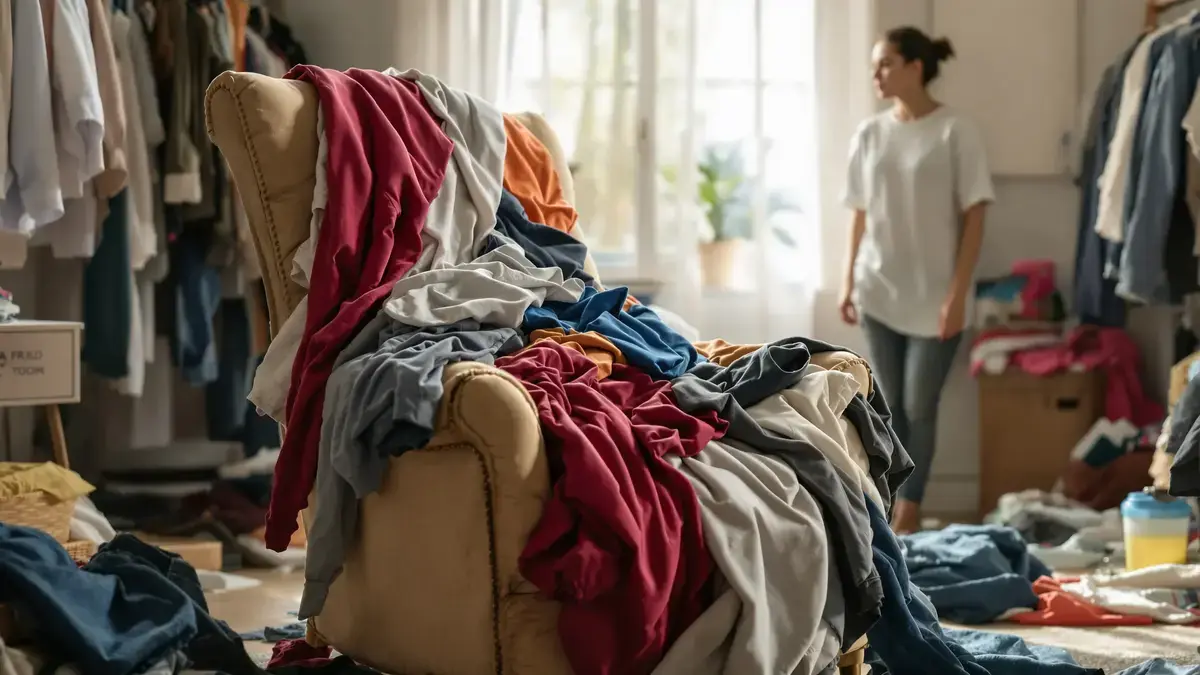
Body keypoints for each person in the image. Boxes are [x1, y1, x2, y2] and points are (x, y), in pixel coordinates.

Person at [839, 26, 994, 534]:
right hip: (879, 289)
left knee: (918, 404)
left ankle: (912, 506)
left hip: (937, 298)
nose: (876, 75)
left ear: (915, 67)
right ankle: (892, 505)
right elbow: (859, 213)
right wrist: (847, 282)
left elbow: (975, 215)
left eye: (885, 63)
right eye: (873, 66)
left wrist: (957, 294)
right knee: (888, 405)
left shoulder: (956, 130)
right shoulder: (870, 133)